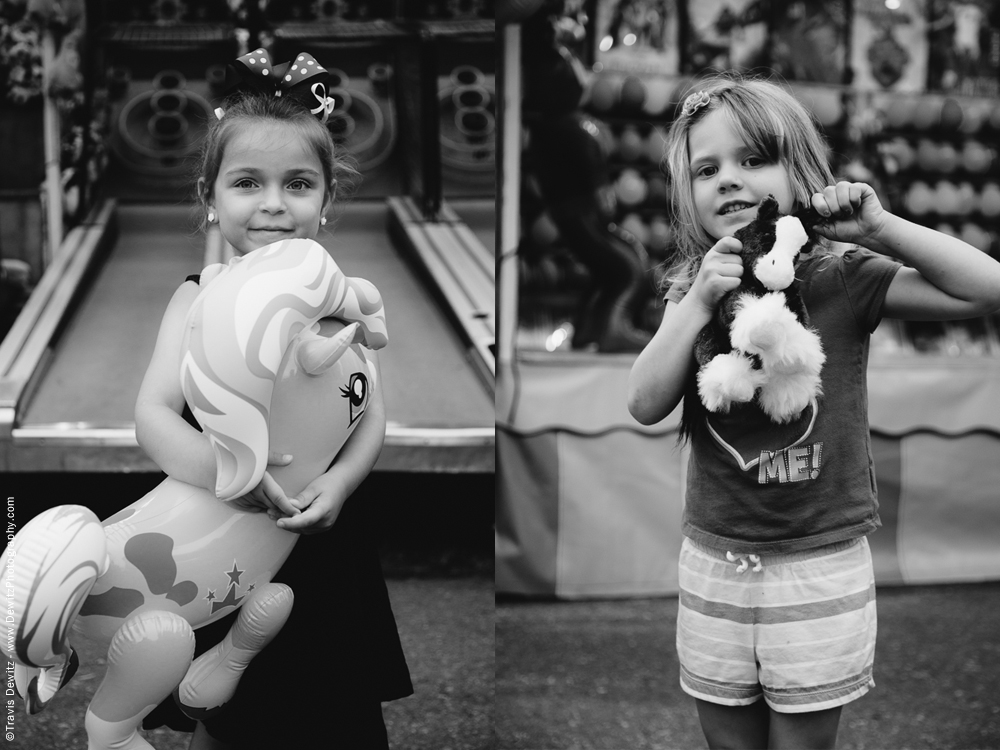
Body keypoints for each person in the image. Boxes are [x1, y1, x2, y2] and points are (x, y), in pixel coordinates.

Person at [627, 72, 1000, 750]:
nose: (729, 180)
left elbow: (987, 290)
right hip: (717, 559)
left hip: (819, 561)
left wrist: (883, 227)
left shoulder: (843, 274)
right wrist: (694, 307)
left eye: (753, 159)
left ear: (801, 169)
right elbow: (644, 402)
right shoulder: (690, 284)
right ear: (687, 194)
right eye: (706, 169)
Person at [135, 50, 412, 750]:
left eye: (298, 184)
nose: (273, 204)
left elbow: (369, 410)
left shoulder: (339, 302)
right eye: (247, 183)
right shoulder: (196, 301)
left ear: (327, 201)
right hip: (222, 524)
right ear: (211, 197)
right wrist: (229, 474)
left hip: (321, 533)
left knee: (337, 705)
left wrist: (341, 485)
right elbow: (155, 414)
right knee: (227, 715)